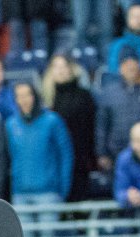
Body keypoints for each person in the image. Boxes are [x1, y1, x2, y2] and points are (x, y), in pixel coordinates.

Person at [6, 82, 73, 237]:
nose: (24, 100)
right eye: (19, 96)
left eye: (27, 95)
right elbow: (9, 156)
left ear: (35, 96)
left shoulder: (52, 121)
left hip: (48, 193)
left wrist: (61, 189)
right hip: (21, 193)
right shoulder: (11, 124)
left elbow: (66, 155)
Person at [42, 54, 97, 204]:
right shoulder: (46, 101)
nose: (60, 70)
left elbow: (91, 129)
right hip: (53, 163)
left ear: (71, 69)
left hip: (80, 160)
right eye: (56, 67)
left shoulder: (84, 96)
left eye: (64, 66)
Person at [95, 50, 140, 175]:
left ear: (139, 65)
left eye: (133, 64)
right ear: (120, 68)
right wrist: (102, 152)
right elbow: (102, 124)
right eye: (126, 64)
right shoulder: (109, 92)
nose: (130, 67)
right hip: (116, 152)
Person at [113, 121, 140, 237]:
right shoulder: (124, 159)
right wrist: (128, 196)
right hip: (132, 213)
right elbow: (119, 191)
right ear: (132, 142)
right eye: (138, 141)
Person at [108, 1, 140, 73]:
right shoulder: (117, 45)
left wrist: (136, 67)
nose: (139, 20)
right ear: (127, 19)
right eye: (135, 17)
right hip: (123, 82)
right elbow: (112, 69)